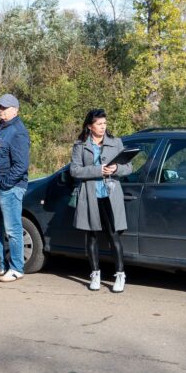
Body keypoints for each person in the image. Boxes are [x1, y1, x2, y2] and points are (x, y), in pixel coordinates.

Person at [70, 108, 133, 293]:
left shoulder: (116, 142)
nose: (103, 127)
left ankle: (120, 275)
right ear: (90, 126)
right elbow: (74, 170)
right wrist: (98, 170)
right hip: (90, 195)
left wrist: (116, 169)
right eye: (99, 124)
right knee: (91, 236)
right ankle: (95, 274)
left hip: (110, 195)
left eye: (104, 123)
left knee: (114, 235)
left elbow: (129, 167)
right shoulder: (80, 145)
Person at [0, 94, 31, 282]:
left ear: (15, 110)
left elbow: (21, 165)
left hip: (10, 187)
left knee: (12, 229)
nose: (0, 110)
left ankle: (16, 268)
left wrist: (5, 184)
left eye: (4, 107)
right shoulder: (1, 129)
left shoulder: (18, 131)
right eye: (0, 107)